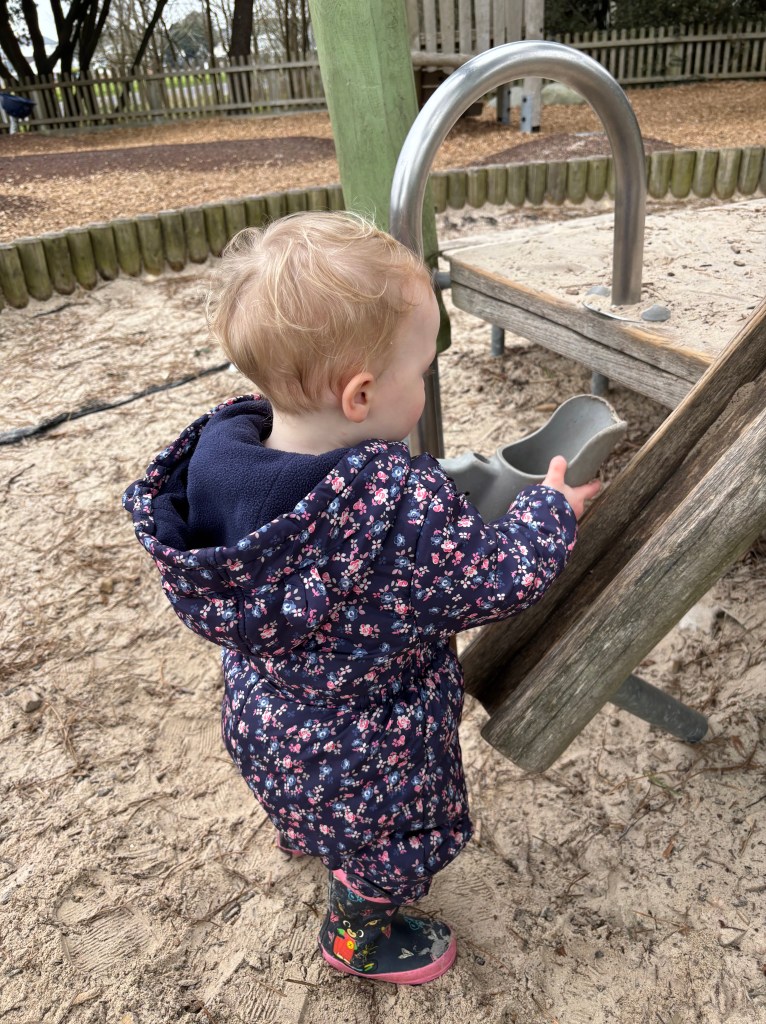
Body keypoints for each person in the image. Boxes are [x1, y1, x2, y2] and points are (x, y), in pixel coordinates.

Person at [123, 212, 600, 986]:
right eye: (420, 374)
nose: (423, 388)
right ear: (362, 394)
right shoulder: (396, 519)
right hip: (373, 751)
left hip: (265, 720)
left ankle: (310, 831)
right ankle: (357, 935)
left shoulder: (215, 467)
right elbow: (498, 576)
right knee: (398, 839)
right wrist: (549, 512)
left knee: (308, 799)